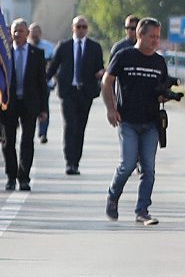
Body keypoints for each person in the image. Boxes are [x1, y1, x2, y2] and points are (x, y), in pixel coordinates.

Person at [104, 17, 177, 225]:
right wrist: (111, 109)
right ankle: (113, 196)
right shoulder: (124, 56)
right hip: (127, 120)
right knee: (127, 165)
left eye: (158, 37)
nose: (155, 41)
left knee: (148, 169)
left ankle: (142, 210)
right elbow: (107, 81)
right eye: (152, 36)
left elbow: (160, 90)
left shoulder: (159, 62)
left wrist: (167, 96)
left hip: (151, 123)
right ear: (139, 35)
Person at [51, 15, 105, 175]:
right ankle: (69, 162)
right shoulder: (64, 46)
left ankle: (76, 162)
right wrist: (41, 85)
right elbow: (53, 67)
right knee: (70, 126)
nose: (81, 30)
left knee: (80, 128)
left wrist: (100, 73)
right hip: (68, 92)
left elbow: (99, 67)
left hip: (85, 93)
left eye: (84, 27)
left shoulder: (94, 47)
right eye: (78, 27)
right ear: (73, 28)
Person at [0, 18, 49, 192]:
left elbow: (42, 83)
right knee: (8, 142)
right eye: (14, 31)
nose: (17, 34)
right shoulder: (4, 53)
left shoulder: (37, 54)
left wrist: (43, 109)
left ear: (27, 33)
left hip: (30, 104)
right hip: (9, 104)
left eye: (20, 31)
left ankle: (24, 177)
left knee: (27, 141)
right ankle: (11, 176)